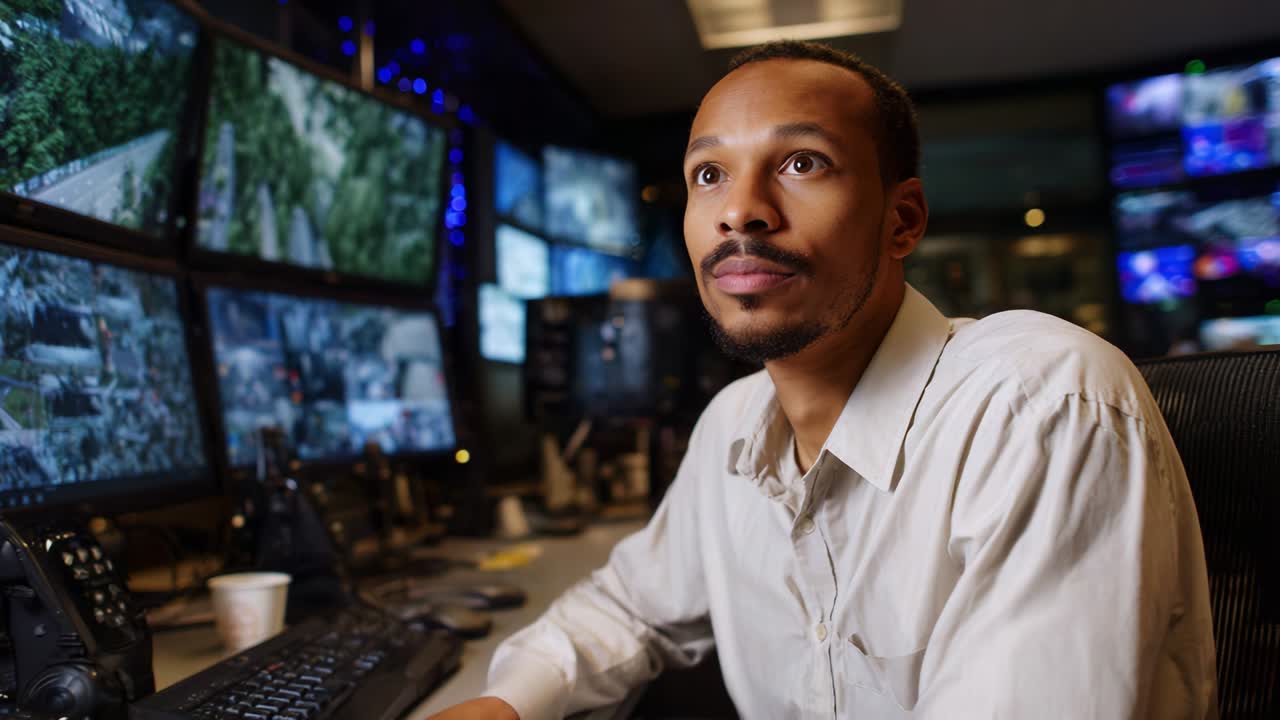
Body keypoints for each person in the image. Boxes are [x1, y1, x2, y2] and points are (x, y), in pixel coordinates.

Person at [431, 41, 1216, 719]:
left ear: (902, 221)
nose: (741, 210)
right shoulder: (735, 424)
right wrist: (508, 702)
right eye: (709, 173)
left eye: (802, 163)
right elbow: (628, 610)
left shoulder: (1041, 406)